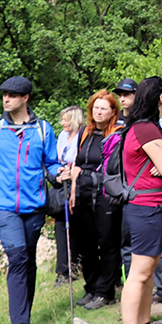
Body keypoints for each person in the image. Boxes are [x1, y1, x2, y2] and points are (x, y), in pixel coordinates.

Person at [0, 75, 60, 324]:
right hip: (4, 207)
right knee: (18, 258)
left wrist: (62, 174)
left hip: (34, 207)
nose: (6, 99)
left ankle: (21, 319)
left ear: (25, 98)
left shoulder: (44, 130)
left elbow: (52, 164)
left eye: (12, 95)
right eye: (4, 94)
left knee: (28, 263)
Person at [119, 76, 162, 324]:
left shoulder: (146, 128)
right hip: (148, 208)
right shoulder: (146, 130)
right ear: (159, 99)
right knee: (139, 272)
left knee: (149, 270)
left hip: (154, 207)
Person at [70, 90, 123, 311]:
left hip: (106, 193)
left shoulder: (118, 134)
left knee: (108, 241)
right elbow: (77, 162)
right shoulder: (86, 133)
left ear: (113, 111)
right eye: (95, 108)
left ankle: (105, 291)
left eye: (103, 108)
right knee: (86, 242)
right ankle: (91, 286)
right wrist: (73, 190)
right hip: (83, 191)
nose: (98, 112)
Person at [54, 105, 84, 286]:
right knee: (60, 226)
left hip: (78, 183)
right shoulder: (62, 136)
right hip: (62, 181)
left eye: (65, 119)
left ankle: (77, 264)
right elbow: (57, 157)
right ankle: (63, 269)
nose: (62, 123)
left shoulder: (83, 136)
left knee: (78, 226)